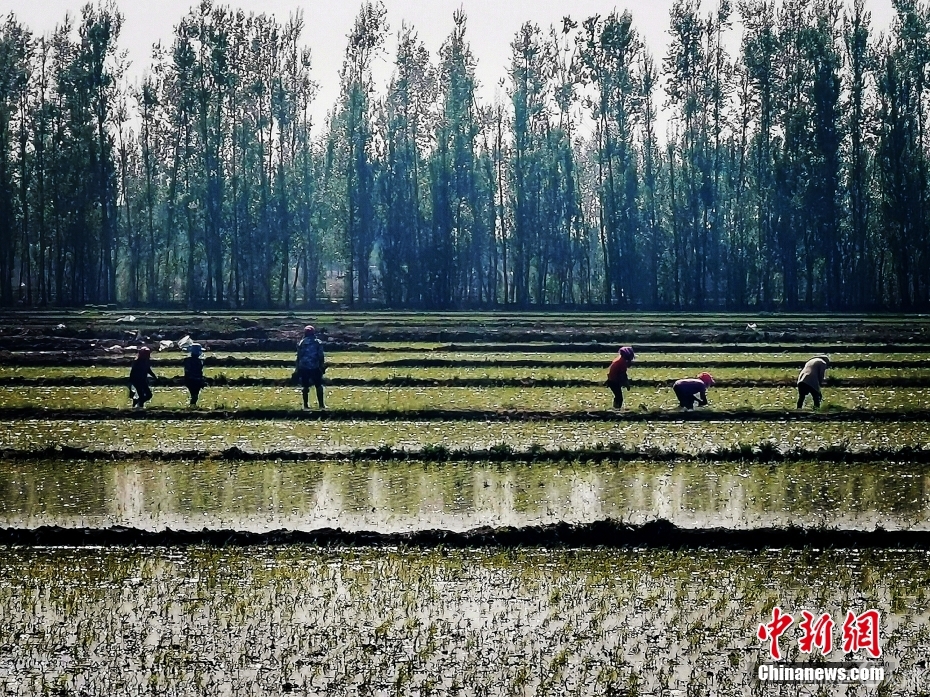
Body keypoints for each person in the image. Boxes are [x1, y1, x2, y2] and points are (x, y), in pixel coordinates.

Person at [296, 325, 326, 410]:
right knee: (319, 385)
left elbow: (299, 356)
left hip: (304, 367)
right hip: (315, 366)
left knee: (305, 386)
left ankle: (305, 405)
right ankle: (321, 405)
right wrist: (322, 365)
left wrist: (297, 368)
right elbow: (321, 355)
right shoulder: (317, 342)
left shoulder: (302, 342)